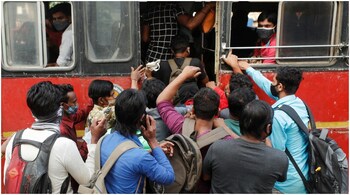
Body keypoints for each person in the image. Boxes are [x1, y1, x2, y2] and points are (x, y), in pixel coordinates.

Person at [3, 81, 106, 193]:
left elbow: (7, 180)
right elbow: (88, 180)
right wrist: (94, 141)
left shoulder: (14, 139)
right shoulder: (64, 144)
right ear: (60, 109)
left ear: (32, 112)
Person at [157, 65, 238, 193]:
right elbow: (246, 147)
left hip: (181, 188)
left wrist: (182, 76)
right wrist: (225, 128)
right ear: (217, 112)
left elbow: (162, 101)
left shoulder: (180, 125)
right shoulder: (225, 141)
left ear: (193, 110)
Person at [238, 61, 309, 193]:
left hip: (286, 185)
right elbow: (269, 88)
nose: (271, 84)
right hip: (303, 178)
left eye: (274, 81)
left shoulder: (277, 117)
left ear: (280, 86)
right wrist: (249, 69)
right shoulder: (298, 103)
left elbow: (275, 154)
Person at [202, 100, 289, 193]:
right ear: (268, 128)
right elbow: (280, 179)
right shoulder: (279, 159)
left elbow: (206, 177)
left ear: (240, 122)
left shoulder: (217, 148)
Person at [100, 89, 175, 193]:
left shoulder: (105, 139)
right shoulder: (140, 157)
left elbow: (123, 157)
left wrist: (154, 151)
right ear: (142, 118)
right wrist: (153, 142)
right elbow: (169, 177)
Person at [142, 2, 216, 63]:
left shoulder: (150, 10)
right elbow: (190, 24)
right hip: (169, 59)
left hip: (152, 58)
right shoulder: (173, 7)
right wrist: (208, 6)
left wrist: (157, 41)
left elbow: (145, 38)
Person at [58, 84, 94, 193]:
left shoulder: (69, 117)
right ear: (63, 105)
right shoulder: (63, 129)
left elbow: (80, 114)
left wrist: (92, 101)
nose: (76, 105)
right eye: (73, 102)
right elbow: (75, 156)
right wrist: (88, 144)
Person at [83, 80, 117, 144]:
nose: (115, 97)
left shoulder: (93, 112)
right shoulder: (103, 113)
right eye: (112, 95)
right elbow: (127, 106)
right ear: (101, 100)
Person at [47, 3, 73, 67]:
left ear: (69, 18)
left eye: (60, 18)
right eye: (54, 19)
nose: (57, 21)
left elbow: (61, 63)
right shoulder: (73, 28)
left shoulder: (68, 33)